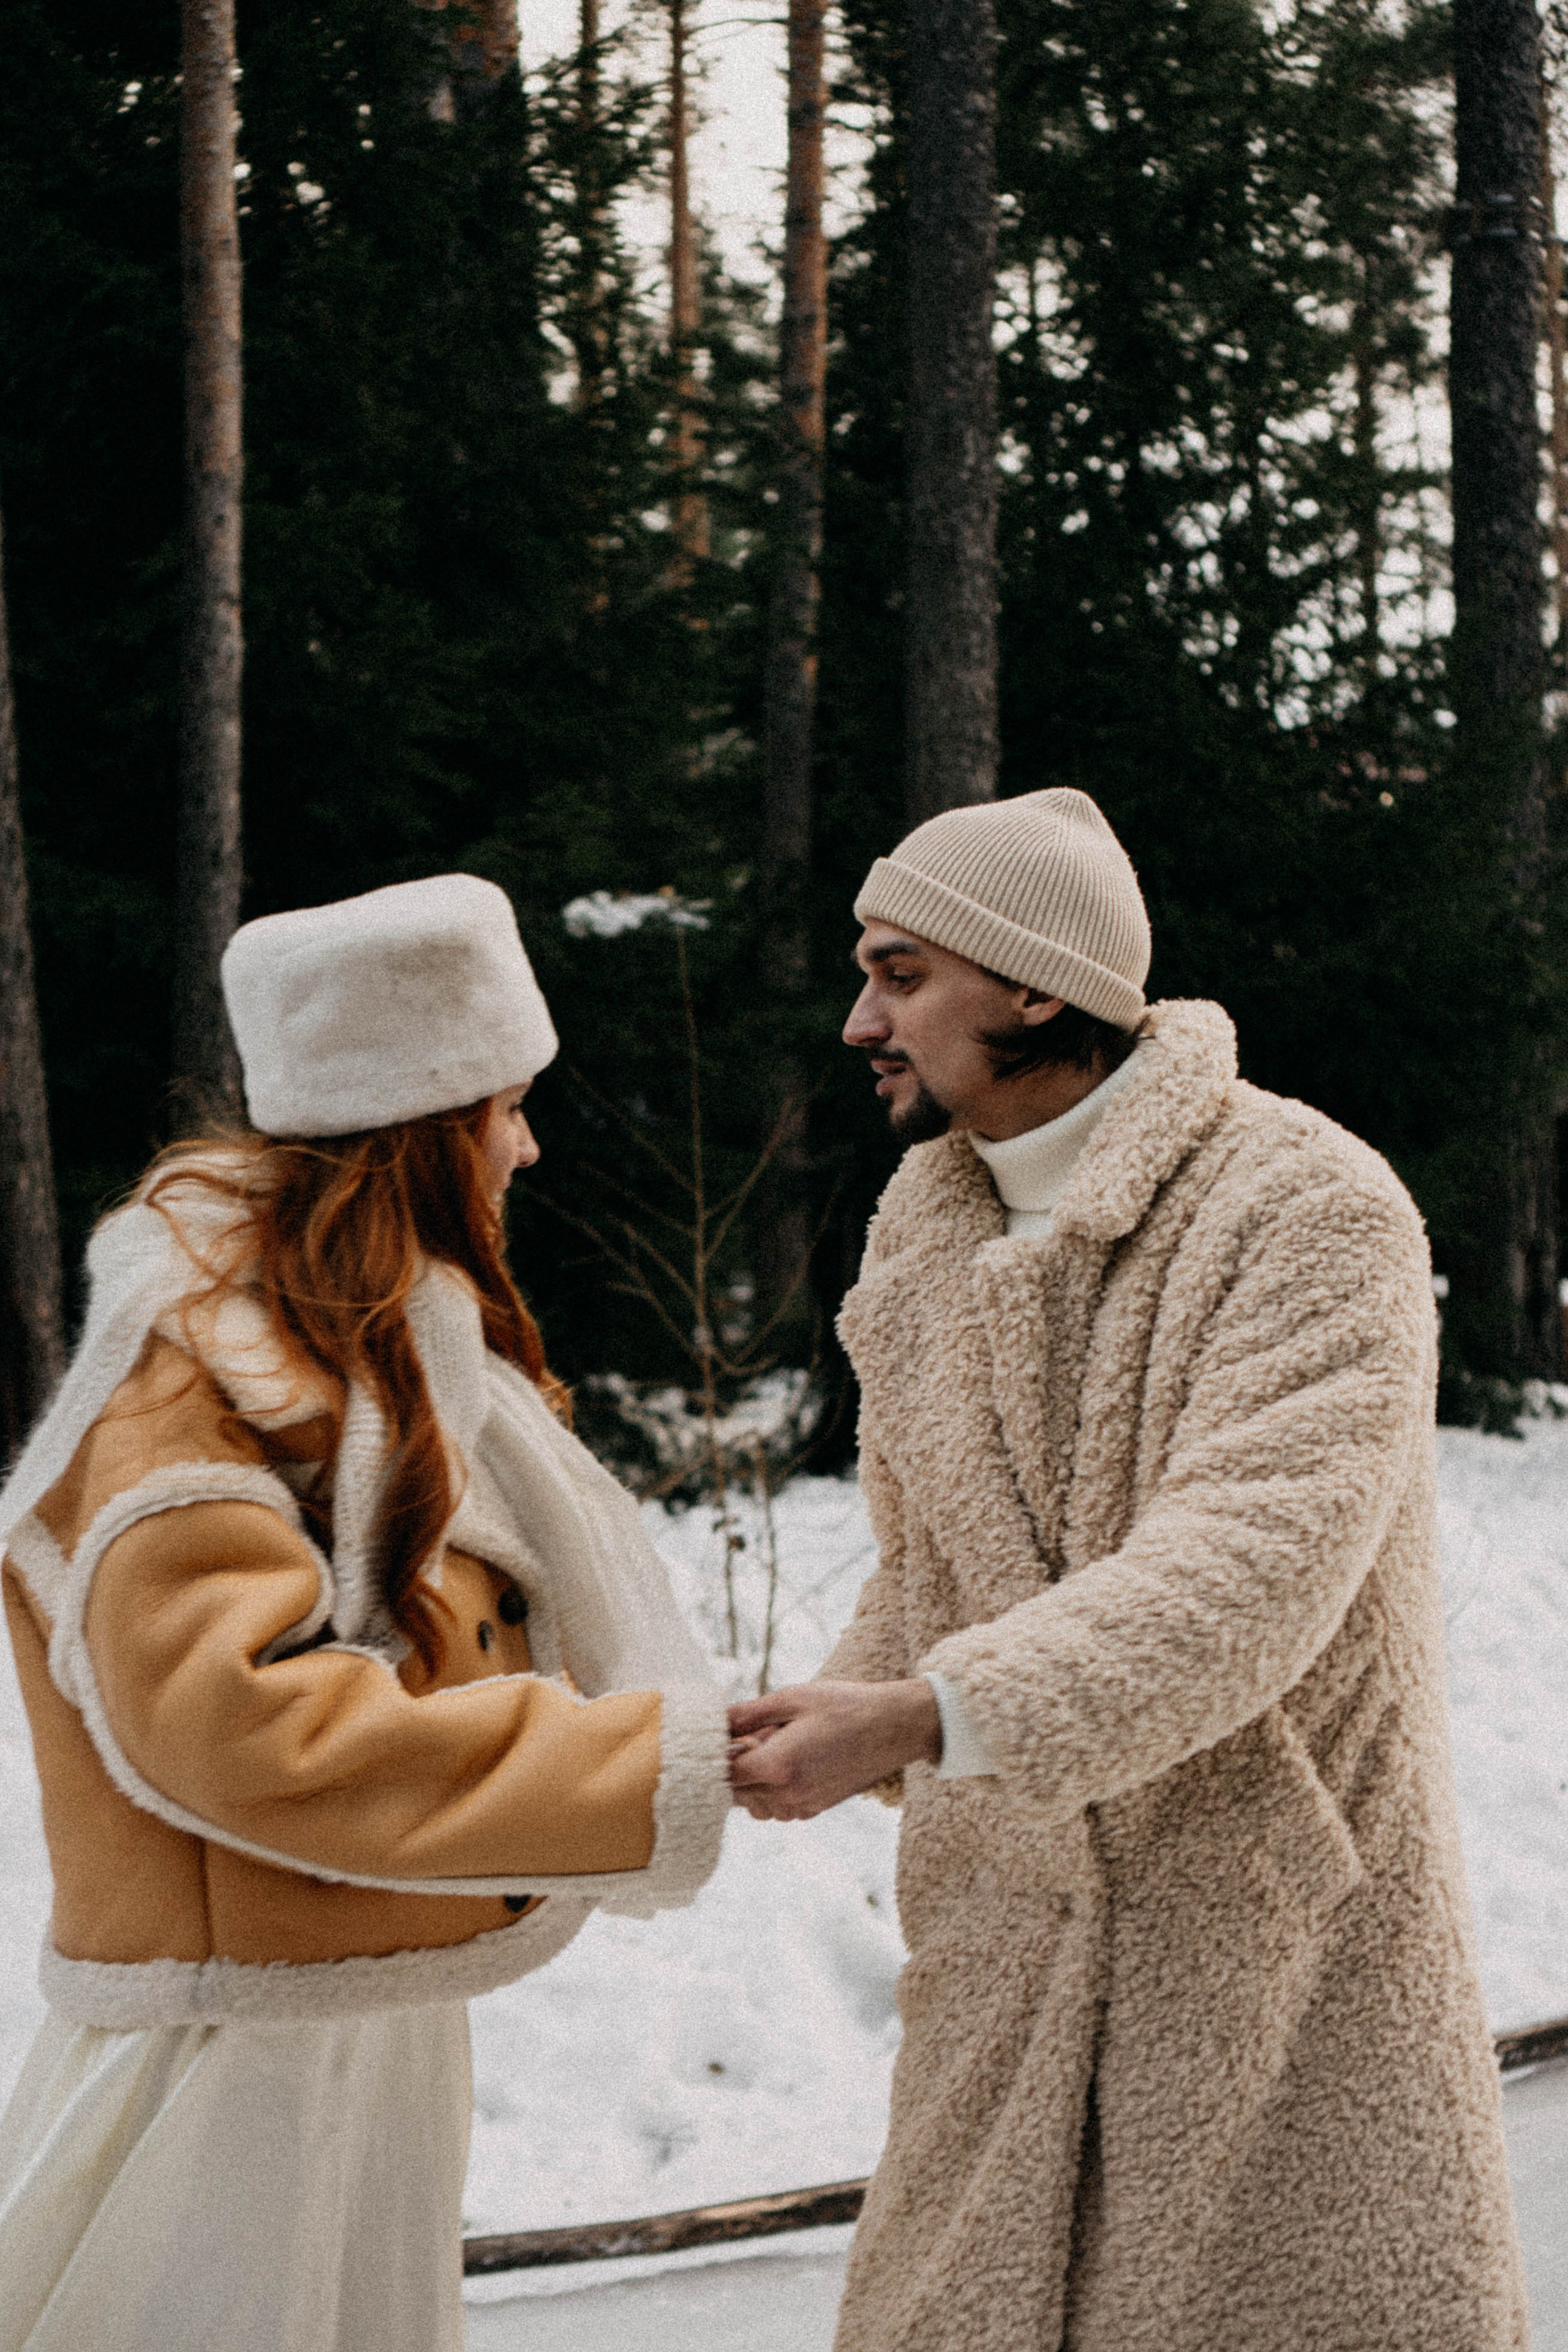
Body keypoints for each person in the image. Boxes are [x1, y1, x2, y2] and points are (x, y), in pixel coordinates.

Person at [730, 791, 1528, 2352]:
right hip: (1004, 1963)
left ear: (1035, 990)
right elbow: (935, 1563)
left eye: (899, 975)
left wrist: (921, 1716)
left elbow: (1248, 1568)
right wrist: (806, 1721)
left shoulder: (1304, 1208)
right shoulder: (924, 1230)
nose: (857, 1023)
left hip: (1262, 1958)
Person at [0, 873, 730, 2352]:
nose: (527, 1145)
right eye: (506, 1107)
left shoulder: (365, 1341)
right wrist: (635, 1768)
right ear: (427, 1122)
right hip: (234, 2055)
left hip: (348, 2001)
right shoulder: (196, 1373)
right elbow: (240, 1728)